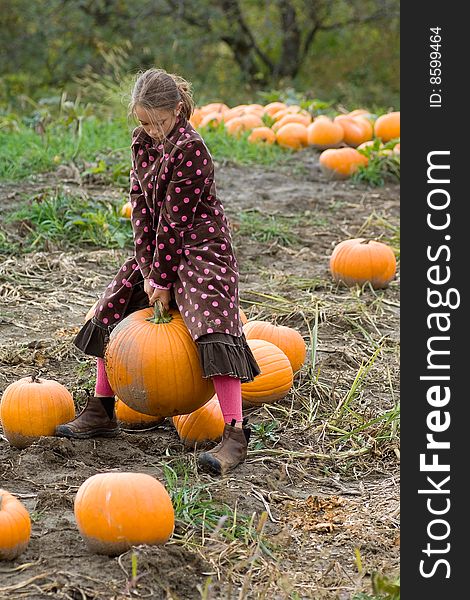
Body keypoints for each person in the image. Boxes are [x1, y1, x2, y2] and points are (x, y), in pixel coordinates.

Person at [56, 68, 261, 476]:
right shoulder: (141, 143)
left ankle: (235, 432)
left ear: (178, 110)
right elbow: (142, 210)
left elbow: (175, 220)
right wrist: (147, 270)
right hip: (157, 249)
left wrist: (163, 281)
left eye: (158, 122)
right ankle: (102, 410)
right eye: (143, 122)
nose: (150, 130)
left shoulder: (192, 150)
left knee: (212, 322)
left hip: (200, 245)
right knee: (111, 308)